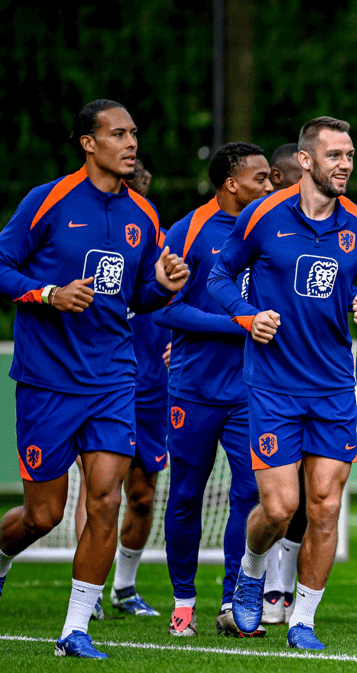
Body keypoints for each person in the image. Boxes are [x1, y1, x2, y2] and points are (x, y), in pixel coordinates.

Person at [0, 99, 189, 659]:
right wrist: (48, 294)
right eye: (118, 134)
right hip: (47, 380)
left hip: (113, 377)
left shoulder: (144, 215)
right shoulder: (49, 201)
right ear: (88, 143)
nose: (131, 143)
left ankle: (75, 629)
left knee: (106, 500)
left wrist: (164, 283)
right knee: (44, 514)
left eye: (134, 133)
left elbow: (139, 298)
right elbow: (3, 266)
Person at [209, 116, 357, 650]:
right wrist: (247, 317)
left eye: (349, 156)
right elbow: (219, 277)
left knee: (324, 505)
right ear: (306, 161)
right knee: (279, 509)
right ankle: (251, 571)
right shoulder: (261, 216)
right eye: (335, 155)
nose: (345, 165)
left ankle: (303, 620)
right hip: (272, 386)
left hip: (336, 387)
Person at [157, 142, 273, 637]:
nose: (271, 186)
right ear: (231, 183)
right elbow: (166, 307)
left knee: (252, 495)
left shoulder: (272, 226)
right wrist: (238, 322)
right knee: (186, 495)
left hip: (254, 388)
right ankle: (183, 602)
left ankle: (233, 600)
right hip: (195, 388)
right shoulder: (189, 230)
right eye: (261, 178)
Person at [72, 160, 167, 621]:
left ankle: (124, 587)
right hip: (102, 380)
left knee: (143, 493)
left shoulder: (158, 243)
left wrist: (179, 345)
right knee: (98, 489)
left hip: (151, 387)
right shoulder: (80, 239)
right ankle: (85, 596)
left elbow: (181, 298)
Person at [261, 142, 306, 625]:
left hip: (313, 379)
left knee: (313, 493)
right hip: (247, 378)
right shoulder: (256, 226)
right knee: (262, 500)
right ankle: (244, 580)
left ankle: (280, 583)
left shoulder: (339, 225)